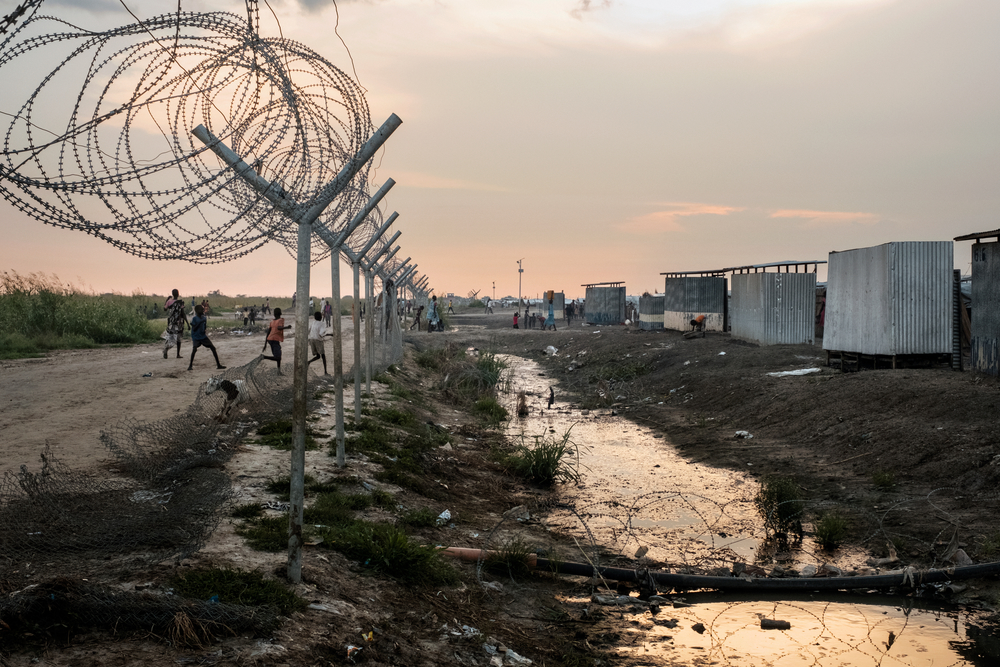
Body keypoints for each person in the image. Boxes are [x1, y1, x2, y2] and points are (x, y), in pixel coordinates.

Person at [188, 304, 226, 371]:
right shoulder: (194, 318)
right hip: (196, 336)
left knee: (213, 348)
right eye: (201, 309)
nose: (203, 310)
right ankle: (190, 366)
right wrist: (200, 323)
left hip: (203, 336)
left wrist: (203, 329)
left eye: (203, 309)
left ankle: (218, 365)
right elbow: (194, 329)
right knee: (194, 349)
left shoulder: (204, 318)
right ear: (197, 311)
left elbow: (204, 326)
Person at [261, 307, 292, 373]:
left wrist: (265, 344)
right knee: (278, 357)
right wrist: (287, 327)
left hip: (270, 339)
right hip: (274, 339)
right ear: (280, 313)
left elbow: (268, 332)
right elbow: (279, 327)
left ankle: (278, 371)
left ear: (274, 314)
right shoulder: (280, 320)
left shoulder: (272, 321)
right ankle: (264, 357)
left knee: (278, 356)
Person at [163, 289, 188, 359]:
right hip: (178, 323)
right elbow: (183, 313)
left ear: (172, 294)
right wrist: (187, 323)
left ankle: (166, 349)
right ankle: (178, 354)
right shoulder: (180, 303)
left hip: (171, 322)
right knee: (178, 339)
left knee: (171, 337)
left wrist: (166, 300)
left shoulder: (169, 301)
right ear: (178, 294)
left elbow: (165, 309)